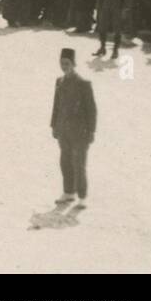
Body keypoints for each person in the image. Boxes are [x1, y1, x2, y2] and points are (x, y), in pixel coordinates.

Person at [50, 47, 96, 209]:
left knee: (79, 163)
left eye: (67, 63)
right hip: (63, 130)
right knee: (65, 162)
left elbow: (92, 110)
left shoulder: (83, 84)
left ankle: (82, 197)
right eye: (62, 63)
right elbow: (56, 106)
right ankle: (69, 192)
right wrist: (54, 125)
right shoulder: (59, 82)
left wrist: (91, 131)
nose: (64, 66)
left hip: (80, 132)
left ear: (73, 63)